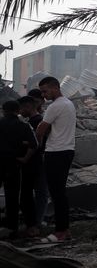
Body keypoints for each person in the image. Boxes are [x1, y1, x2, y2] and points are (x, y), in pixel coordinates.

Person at [36, 77, 76, 242]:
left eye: (45, 91)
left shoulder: (55, 106)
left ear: (54, 88)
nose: (43, 95)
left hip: (55, 152)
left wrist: (38, 145)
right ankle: (64, 229)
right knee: (60, 192)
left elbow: (41, 128)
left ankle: (61, 231)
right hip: (67, 150)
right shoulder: (69, 104)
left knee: (56, 192)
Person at [0, 100, 36, 238]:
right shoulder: (23, 126)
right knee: (12, 197)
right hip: (13, 165)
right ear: (17, 111)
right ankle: (12, 228)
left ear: (3, 110)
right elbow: (34, 144)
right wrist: (25, 158)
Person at [17, 95, 46, 236]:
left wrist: (24, 154)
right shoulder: (34, 120)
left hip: (34, 163)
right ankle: (35, 223)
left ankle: (34, 225)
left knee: (31, 194)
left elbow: (36, 144)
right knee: (34, 194)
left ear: (28, 107)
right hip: (36, 162)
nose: (20, 111)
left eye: (21, 108)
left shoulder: (37, 122)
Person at [25, 88, 49, 230]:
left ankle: (36, 220)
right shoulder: (36, 119)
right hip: (36, 159)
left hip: (38, 158)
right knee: (39, 191)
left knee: (39, 191)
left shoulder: (41, 118)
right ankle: (35, 220)